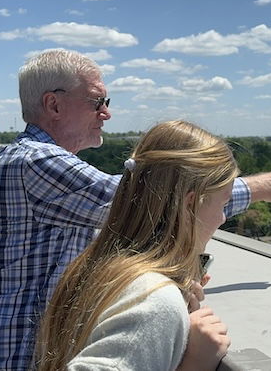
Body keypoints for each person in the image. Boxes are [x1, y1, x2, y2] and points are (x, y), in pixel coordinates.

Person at [0, 49, 271, 371]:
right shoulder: (35, 161)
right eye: (96, 101)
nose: (107, 112)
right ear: (53, 105)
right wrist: (260, 187)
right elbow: (147, 201)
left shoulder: (24, 160)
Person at [35, 120, 243, 370]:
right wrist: (194, 364)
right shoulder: (153, 302)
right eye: (223, 205)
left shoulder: (95, 267)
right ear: (191, 204)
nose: (223, 218)